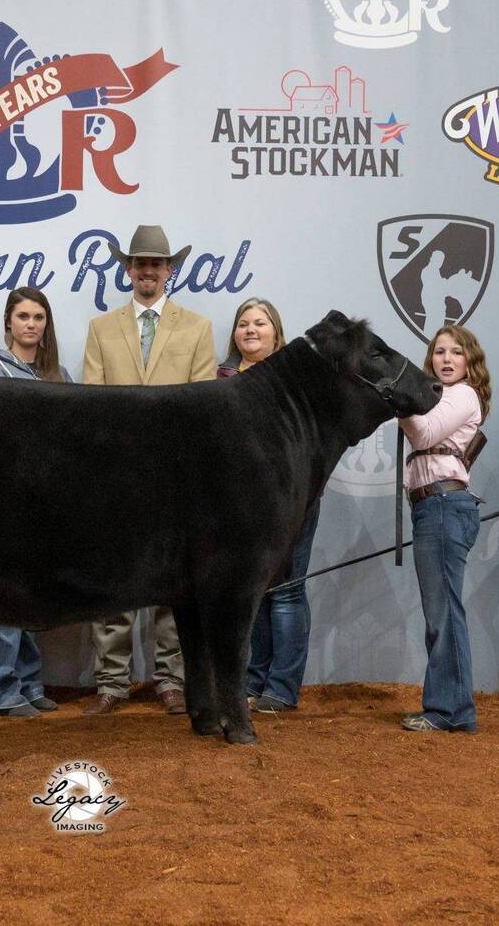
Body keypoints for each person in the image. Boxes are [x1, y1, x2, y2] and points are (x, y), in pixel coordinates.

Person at [80, 225, 215, 716]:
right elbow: (92, 403)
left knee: (173, 585)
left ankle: (171, 680)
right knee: (109, 583)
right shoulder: (101, 328)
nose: (148, 272)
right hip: (113, 476)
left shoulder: (197, 327)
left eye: (156, 264)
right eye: (140, 264)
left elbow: (203, 406)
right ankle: (111, 684)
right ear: (128, 269)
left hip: (175, 478)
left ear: (169, 270)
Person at [218, 297, 320, 713]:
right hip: (241, 503)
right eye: (243, 324)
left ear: (277, 333)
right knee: (253, 591)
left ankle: (282, 686)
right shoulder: (222, 380)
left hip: (294, 497)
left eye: (260, 323)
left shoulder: (297, 382)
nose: (250, 330)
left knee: (287, 590)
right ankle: (253, 681)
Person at [0, 287, 70, 718]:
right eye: (23, 316)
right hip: (4, 500)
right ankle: (0, 688)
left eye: (38, 317)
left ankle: (29, 681)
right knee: (1, 594)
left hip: (46, 502)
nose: (31, 324)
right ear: (8, 322)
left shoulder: (59, 375)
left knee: (33, 596)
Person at [397, 325, 490, 733]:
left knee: (444, 611)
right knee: (440, 610)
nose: (447, 359)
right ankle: (448, 705)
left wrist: (399, 403)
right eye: (439, 352)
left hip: (443, 503)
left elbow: (425, 432)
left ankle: (450, 710)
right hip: (431, 504)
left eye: (456, 352)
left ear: (470, 361)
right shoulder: (435, 396)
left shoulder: (463, 394)